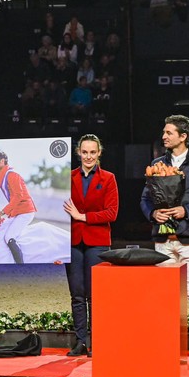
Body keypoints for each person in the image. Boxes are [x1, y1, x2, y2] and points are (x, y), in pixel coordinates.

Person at [140, 115, 189, 363]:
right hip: (163, 238)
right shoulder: (156, 163)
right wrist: (153, 212)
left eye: (169, 132)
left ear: (183, 136)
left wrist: (187, 211)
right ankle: (166, 340)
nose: (164, 136)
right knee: (164, 292)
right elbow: (145, 199)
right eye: (163, 132)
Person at [63, 134, 119, 357]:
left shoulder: (108, 178)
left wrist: (82, 216)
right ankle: (80, 341)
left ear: (99, 153)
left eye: (93, 152)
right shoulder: (67, 177)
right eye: (85, 152)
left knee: (96, 295)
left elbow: (111, 213)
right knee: (77, 294)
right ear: (78, 153)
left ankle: (98, 341)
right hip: (72, 242)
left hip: (97, 241)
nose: (88, 156)